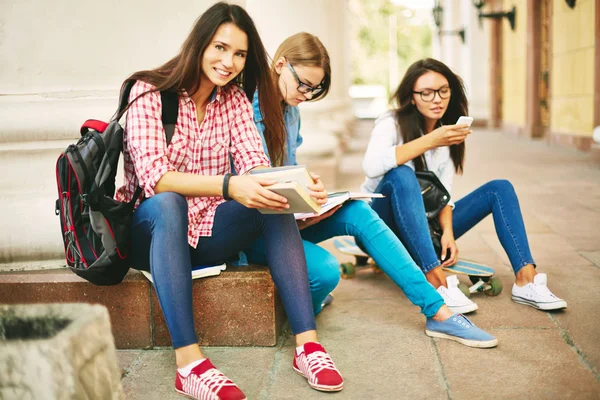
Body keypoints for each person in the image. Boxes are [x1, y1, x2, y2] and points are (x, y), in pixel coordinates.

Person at [115, 5, 344, 399]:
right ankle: (189, 364)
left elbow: (255, 165)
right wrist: (228, 186)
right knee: (169, 201)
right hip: (150, 233)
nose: (229, 62)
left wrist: (295, 184)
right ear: (200, 43)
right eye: (221, 48)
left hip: (205, 231)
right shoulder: (149, 91)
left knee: (273, 200)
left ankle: (307, 346)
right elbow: (155, 178)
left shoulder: (235, 100)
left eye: (239, 54)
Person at [241, 32, 498, 349]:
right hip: (251, 225)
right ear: (280, 65)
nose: (307, 95)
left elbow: (287, 169)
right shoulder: (243, 108)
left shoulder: (291, 110)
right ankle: (312, 303)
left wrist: (310, 190)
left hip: (284, 215)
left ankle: (438, 311)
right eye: (303, 85)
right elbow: (247, 180)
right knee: (324, 272)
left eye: (315, 89)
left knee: (358, 211)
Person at [361, 57, 567, 314]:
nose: (436, 99)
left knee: (499, 188)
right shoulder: (391, 123)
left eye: (443, 91)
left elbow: (443, 196)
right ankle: (435, 282)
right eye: (426, 93)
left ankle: (526, 279)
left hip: (425, 228)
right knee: (402, 174)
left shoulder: (448, 132)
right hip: (381, 226)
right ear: (412, 97)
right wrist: (431, 140)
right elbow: (371, 166)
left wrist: (447, 232)